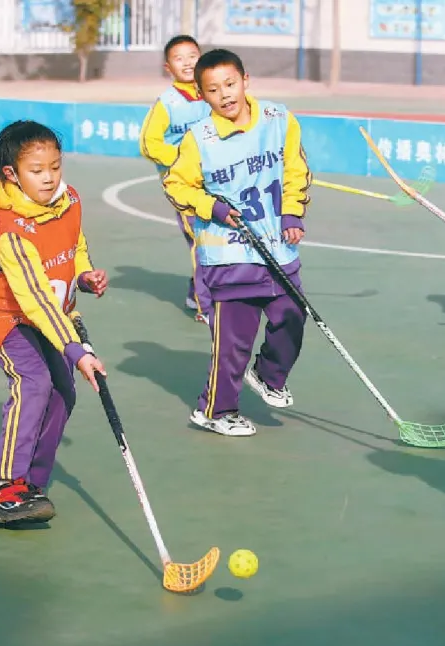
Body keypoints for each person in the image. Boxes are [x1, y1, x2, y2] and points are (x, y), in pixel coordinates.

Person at [0, 120, 108, 527]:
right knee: (34, 382)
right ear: (11, 173)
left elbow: (73, 245)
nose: (49, 178)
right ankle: (7, 490)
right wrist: (77, 350)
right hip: (3, 311)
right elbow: (38, 301)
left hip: (45, 311)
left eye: (55, 167)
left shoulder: (69, 200)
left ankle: (33, 484)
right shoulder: (11, 229)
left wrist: (84, 274)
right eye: (36, 170)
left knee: (64, 390)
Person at [163, 48, 311, 437]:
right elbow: (176, 184)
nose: (225, 94)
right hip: (229, 254)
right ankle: (214, 410)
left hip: (278, 247)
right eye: (213, 90)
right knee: (233, 344)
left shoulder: (280, 119)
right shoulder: (200, 138)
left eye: (230, 84)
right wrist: (209, 206)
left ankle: (267, 374)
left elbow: (295, 168)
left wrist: (293, 211)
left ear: (247, 81)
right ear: (202, 95)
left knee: (293, 317)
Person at [139, 34, 213, 323]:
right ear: (167, 67)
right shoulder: (167, 103)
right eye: (178, 58)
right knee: (202, 240)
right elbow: (149, 144)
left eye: (192, 55)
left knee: (217, 236)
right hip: (183, 184)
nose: (186, 62)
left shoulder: (212, 92)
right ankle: (206, 305)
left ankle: (196, 290)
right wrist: (183, 161)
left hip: (215, 180)